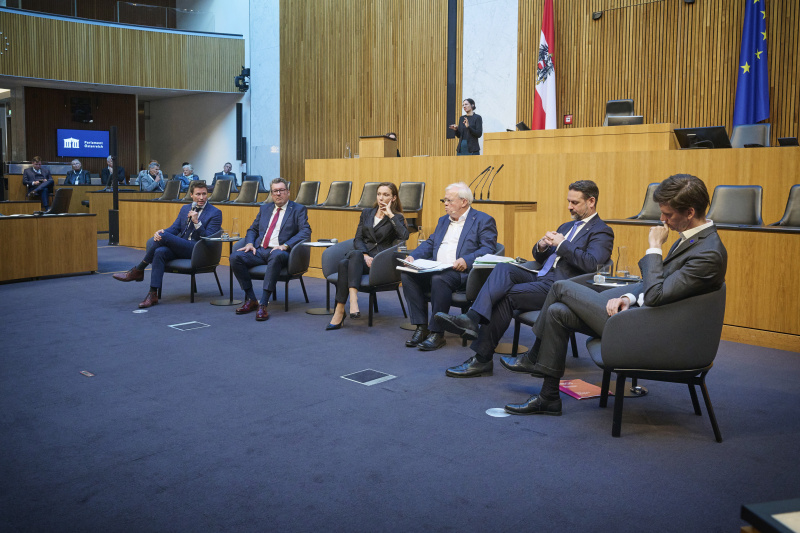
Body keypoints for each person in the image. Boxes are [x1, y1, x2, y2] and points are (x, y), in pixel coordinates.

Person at [500, 174, 727, 417]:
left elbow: (656, 295)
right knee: (557, 312)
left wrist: (654, 248)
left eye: (668, 214)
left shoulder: (708, 253)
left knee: (561, 288)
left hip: (657, 334)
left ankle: (535, 356)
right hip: (642, 317)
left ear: (690, 213)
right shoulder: (693, 240)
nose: (662, 220)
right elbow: (660, 285)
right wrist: (629, 298)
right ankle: (548, 398)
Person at [437, 180, 614, 378]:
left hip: (561, 286)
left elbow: (592, 264)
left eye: (575, 203)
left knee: (505, 297)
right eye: (568, 201)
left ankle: (481, 358)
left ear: (591, 202)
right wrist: (542, 246)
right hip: (542, 275)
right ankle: (471, 319)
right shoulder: (567, 225)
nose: (569, 207)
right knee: (504, 268)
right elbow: (541, 258)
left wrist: (563, 244)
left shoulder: (602, 231)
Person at [401, 182, 497, 351]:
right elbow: (430, 243)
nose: (445, 203)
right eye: (444, 200)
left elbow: (488, 249)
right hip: (436, 267)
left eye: (449, 200)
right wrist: (413, 256)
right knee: (408, 274)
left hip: (463, 273)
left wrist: (466, 260)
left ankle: (437, 333)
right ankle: (421, 327)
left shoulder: (483, 220)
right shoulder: (443, 220)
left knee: (440, 279)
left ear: (463, 202)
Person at [112, 181, 222, 308]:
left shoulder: (215, 212)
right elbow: (175, 229)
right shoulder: (185, 208)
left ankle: (139, 269)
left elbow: (209, 238)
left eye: (204, 194)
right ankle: (153, 294)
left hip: (199, 249)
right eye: (198, 194)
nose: (201, 197)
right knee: (160, 252)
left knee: (164, 238)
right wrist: (161, 232)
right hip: (183, 246)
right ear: (191, 195)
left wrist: (197, 222)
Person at [327, 182, 409, 330]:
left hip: (380, 262)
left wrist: (390, 214)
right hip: (362, 259)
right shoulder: (367, 213)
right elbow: (357, 238)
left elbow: (404, 236)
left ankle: (341, 309)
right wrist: (364, 255)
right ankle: (352, 300)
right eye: (379, 194)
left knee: (344, 264)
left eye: (386, 195)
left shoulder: (397, 217)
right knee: (352, 258)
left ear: (394, 198)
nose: (381, 198)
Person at [230, 177, 312, 322]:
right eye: (275, 191)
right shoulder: (265, 208)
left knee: (276, 255)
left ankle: (263, 303)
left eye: (281, 190)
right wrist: (249, 243)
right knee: (235, 257)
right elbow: (252, 229)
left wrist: (285, 245)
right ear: (271, 193)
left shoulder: (298, 209)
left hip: (282, 253)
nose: (278, 194)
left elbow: (305, 231)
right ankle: (251, 299)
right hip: (260, 251)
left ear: (288, 192)